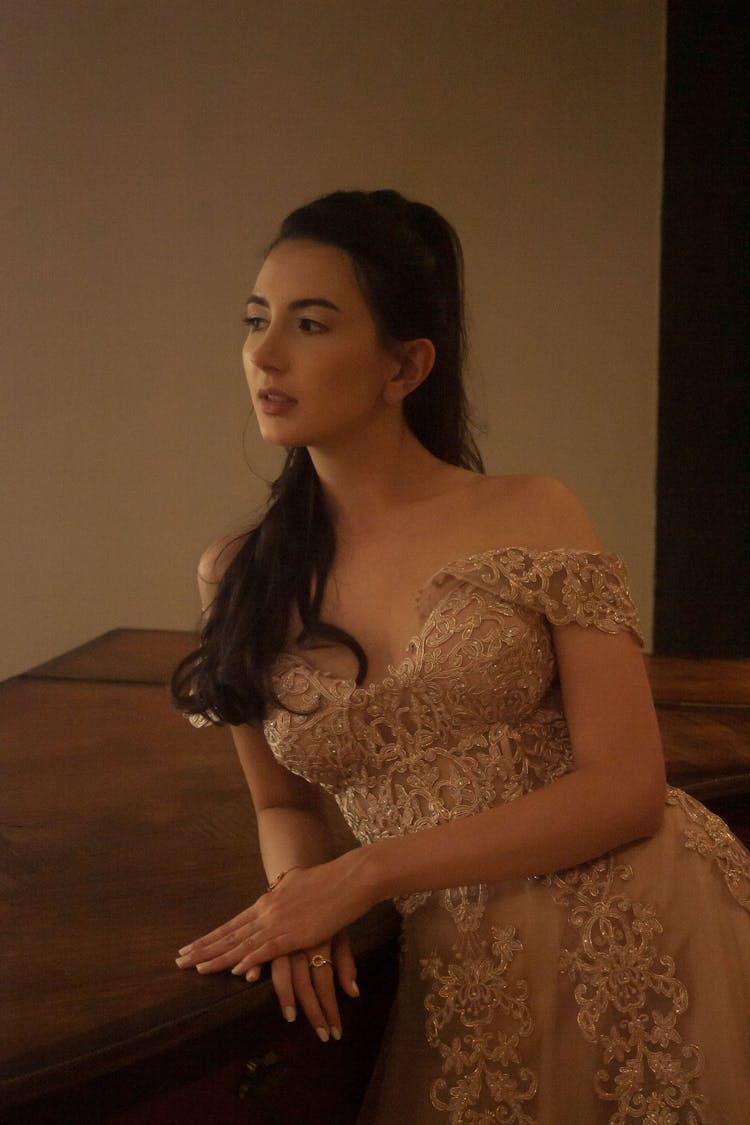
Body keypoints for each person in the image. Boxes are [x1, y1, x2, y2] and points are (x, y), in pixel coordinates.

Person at [172, 189, 750, 1123]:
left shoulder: (533, 513)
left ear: (406, 366)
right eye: (256, 319)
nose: (264, 354)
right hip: (461, 976)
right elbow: (282, 800)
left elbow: (628, 785)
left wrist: (364, 874)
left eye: (310, 323)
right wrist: (297, 906)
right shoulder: (239, 573)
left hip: (639, 927)